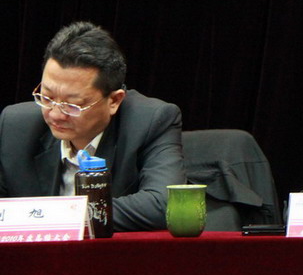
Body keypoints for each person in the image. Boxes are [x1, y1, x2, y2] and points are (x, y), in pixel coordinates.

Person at [0, 21, 186, 231]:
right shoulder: (15, 126)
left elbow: (165, 204)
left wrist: (56, 216)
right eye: (47, 97)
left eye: (73, 105)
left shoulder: (150, 121)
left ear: (114, 100)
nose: (55, 114)